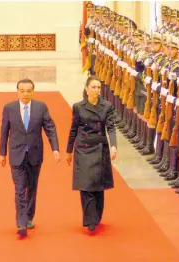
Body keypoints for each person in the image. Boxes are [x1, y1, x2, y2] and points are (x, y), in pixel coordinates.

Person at [0, 78, 60, 238]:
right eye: (22, 91)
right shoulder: (9, 108)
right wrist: (2, 153)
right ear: (17, 91)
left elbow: (50, 128)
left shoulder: (41, 107)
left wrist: (55, 148)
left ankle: (29, 217)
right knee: (20, 188)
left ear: (33, 92)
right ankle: (21, 222)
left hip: (34, 154)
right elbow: (4, 131)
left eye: (28, 91)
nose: (25, 94)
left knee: (32, 188)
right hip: (16, 154)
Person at [66, 75, 117, 232]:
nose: (96, 90)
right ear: (87, 89)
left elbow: (111, 127)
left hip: (100, 147)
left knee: (98, 184)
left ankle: (97, 214)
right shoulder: (78, 107)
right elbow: (74, 128)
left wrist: (114, 145)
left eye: (98, 87)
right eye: (93, 87)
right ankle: (90, 219)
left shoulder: (107, 106)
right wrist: (69, 150)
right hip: (83, 148)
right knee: (86, 184)